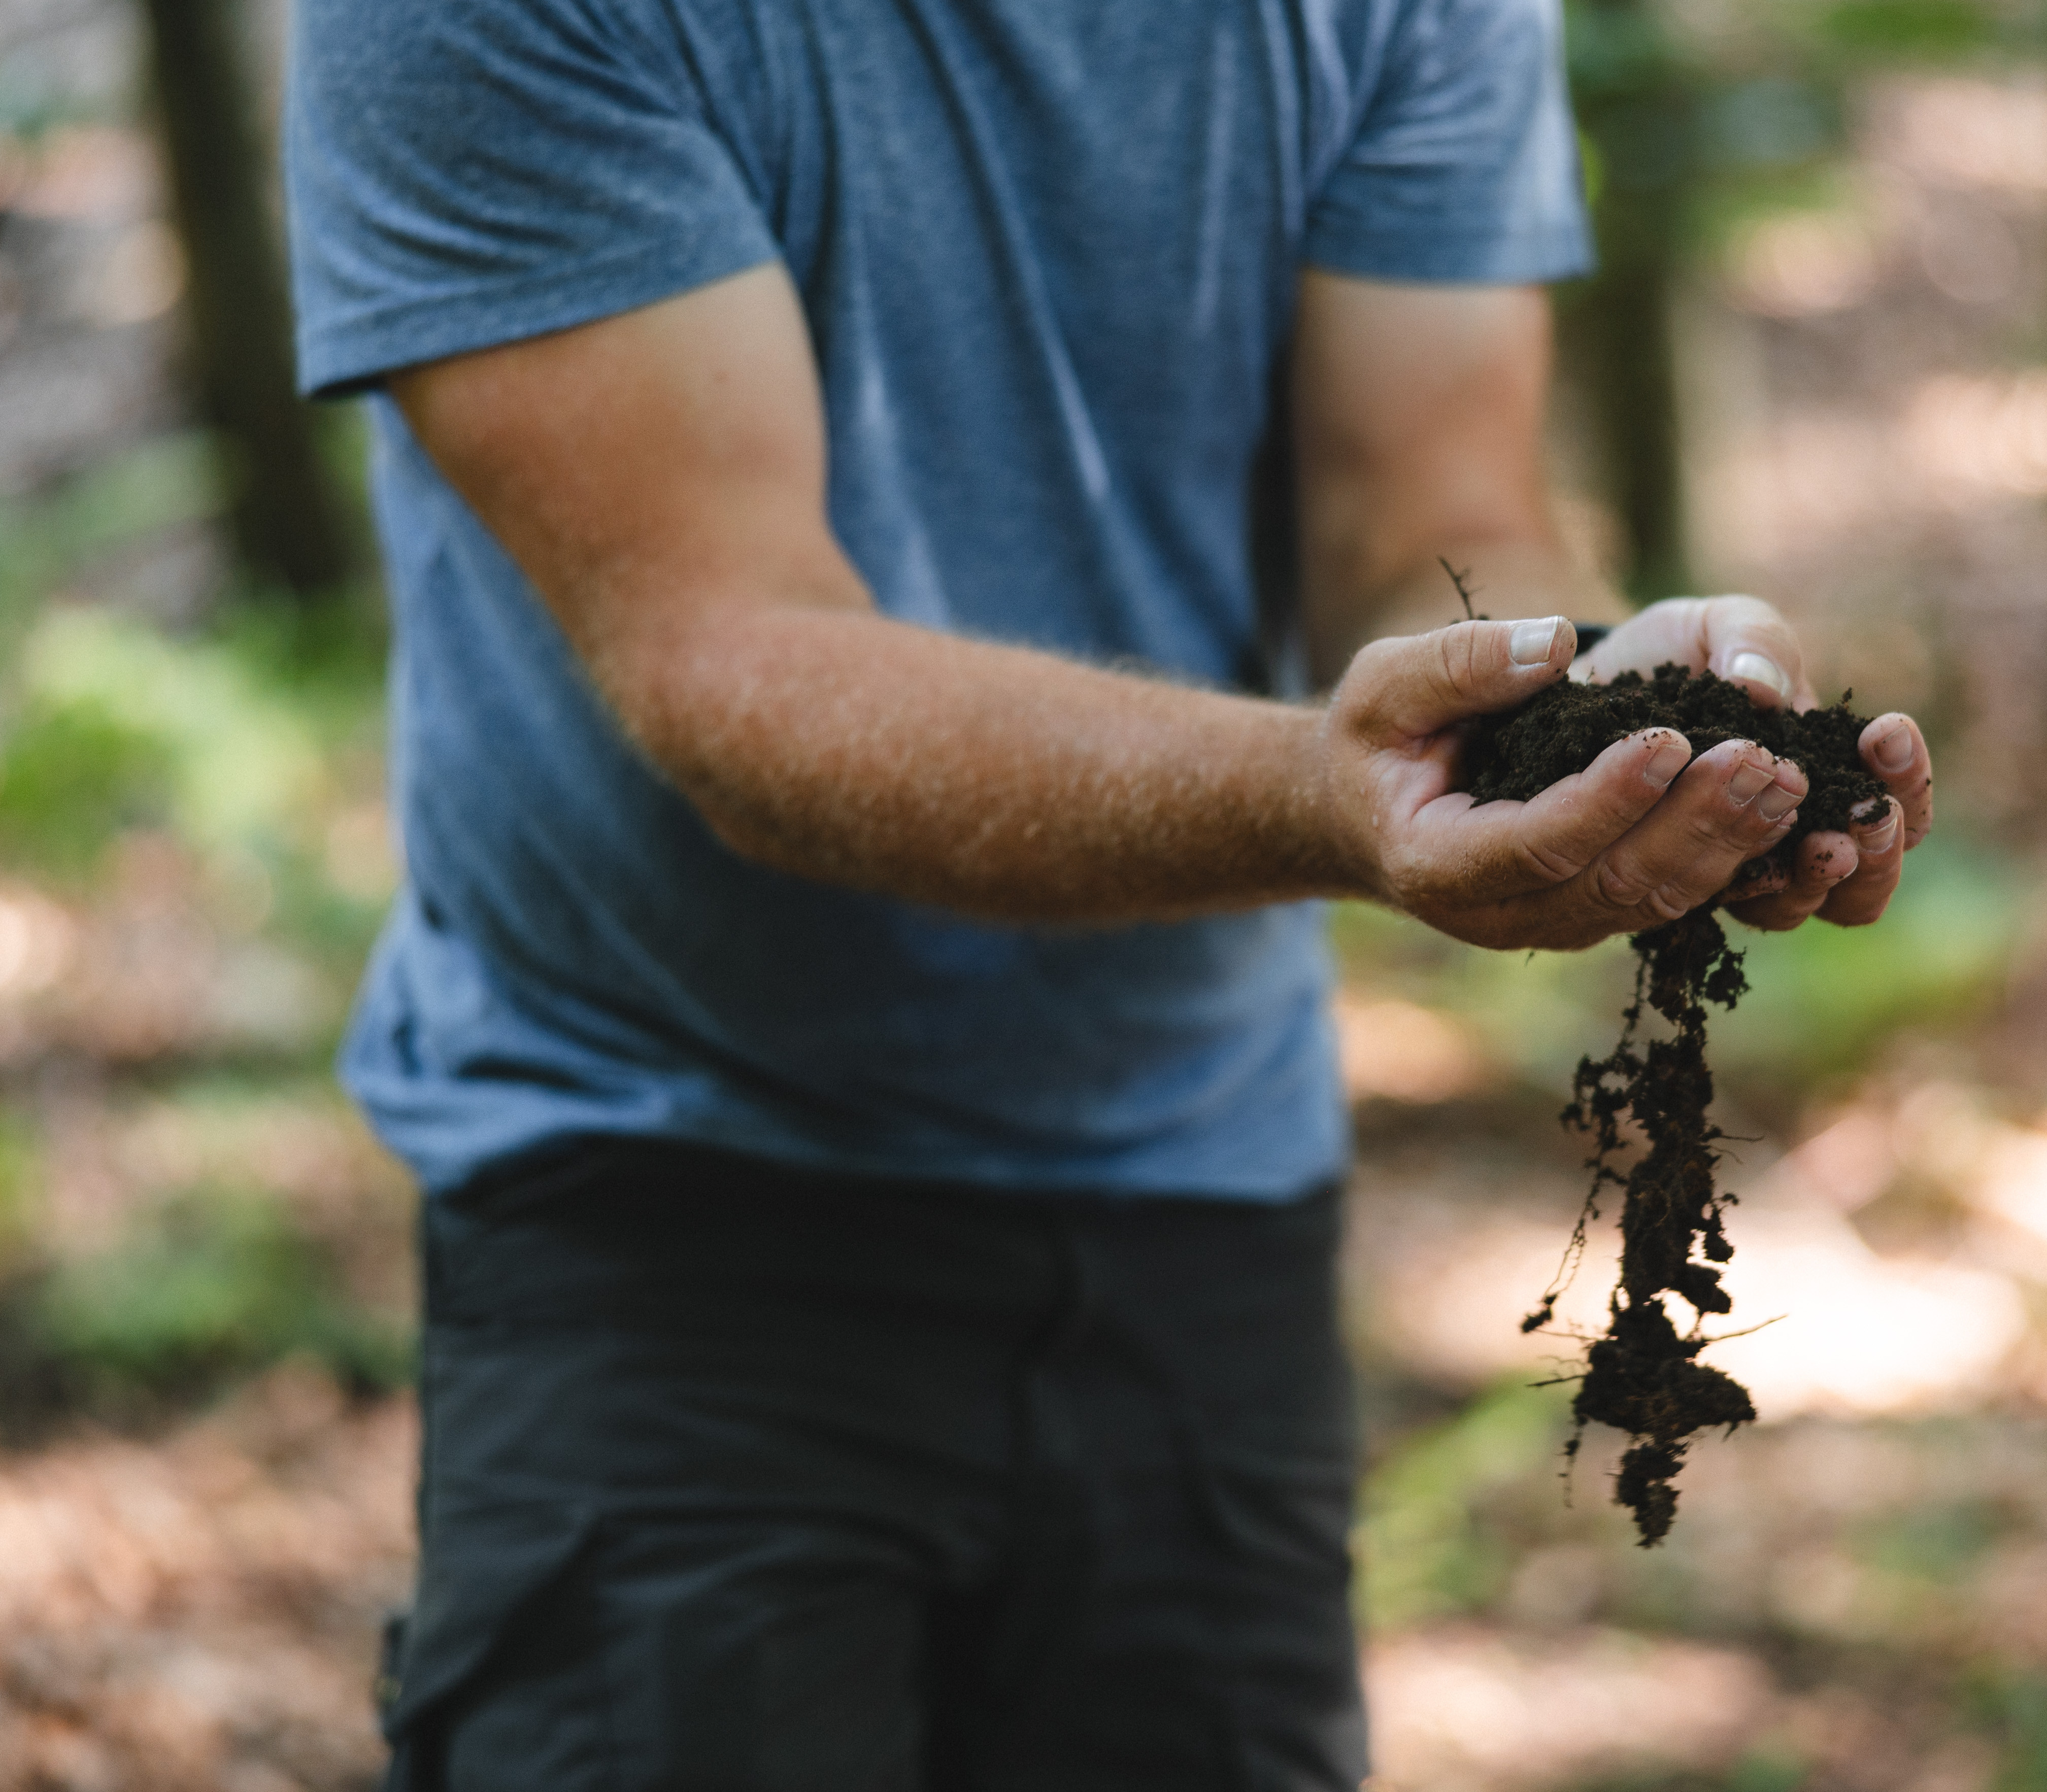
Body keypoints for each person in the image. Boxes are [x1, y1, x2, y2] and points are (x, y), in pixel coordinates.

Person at [284, 1, 1935, 1785]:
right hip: (668, 1201)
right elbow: (736, 662)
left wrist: (1597, 707)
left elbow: (1426, 517)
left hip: (1204, 1200)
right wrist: (1324, 796)